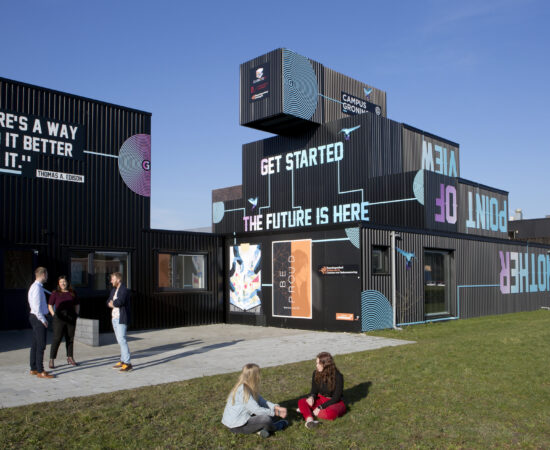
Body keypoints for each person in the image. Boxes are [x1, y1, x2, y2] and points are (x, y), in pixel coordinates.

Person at [222, 363, 288, 438]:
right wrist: (276, 413)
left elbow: (261, 401)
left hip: (243, 419)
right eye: (258, 374)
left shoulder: (248, 386)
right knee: (266, 418)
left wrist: (275, 407)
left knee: (270, 413)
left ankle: (261, 430)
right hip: (237, 426)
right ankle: (275, 427)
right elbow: (257, 410)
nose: (260, 376)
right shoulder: (244, 391)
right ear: (254, 377)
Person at [298, 352, 346, 428]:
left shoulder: (338, 376)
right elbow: (314, 391)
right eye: (316, 363)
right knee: (302, 401)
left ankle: (307, 411)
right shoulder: (315, 373)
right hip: (322, 399)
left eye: (318, 363)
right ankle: (310, 421)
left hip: (335, 402)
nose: (316, 366)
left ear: (326, 364)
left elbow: (336, 398)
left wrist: (320, 407)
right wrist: (312, 397)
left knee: (330, 414)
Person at [48, 276, 80, 368]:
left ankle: (70, 357)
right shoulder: (55, 293)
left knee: (70, 338)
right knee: (57, 339)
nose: (63, 283)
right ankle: (51, 359)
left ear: (67, 282)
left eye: (64, 281)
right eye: (61, 282)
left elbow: (77, 304)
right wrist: (54, 315)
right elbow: (50, 305)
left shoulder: (72, 292)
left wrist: (76, 315)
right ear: (58, 283)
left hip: (71, 318)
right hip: (59, 319)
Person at [28, 267, 54, 379]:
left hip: (34, 317)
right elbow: (36, 307)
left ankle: (33, 368)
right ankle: (40, 370)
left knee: (35, 344)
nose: (47, 276)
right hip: (38, 318)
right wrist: (43, 320)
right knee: (41, 345)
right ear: (43, 274)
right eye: (46, 274)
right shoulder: (37, 289)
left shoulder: (35, 287)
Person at [107, 272, 132, 372]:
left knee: (122, 339)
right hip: (114, 318)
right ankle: (122, 360)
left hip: (121, 318)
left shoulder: (124, 290)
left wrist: (113, 303)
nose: (111, 281)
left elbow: (119, 302)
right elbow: (108, 301)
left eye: (112, 279)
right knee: (119, 340)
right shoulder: (114, 290)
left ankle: (128, 363)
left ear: (118, 279)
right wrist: (112, 304)